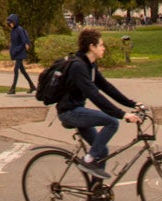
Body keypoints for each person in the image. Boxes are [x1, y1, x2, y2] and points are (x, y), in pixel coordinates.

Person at [56, 27, 143, 184]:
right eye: (101, 45)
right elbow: (95, 96)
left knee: (102, 151)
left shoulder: (90, 66)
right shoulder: (78, 67)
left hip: (78, 110)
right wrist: (122, 114)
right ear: (92, 46)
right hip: (69, 112)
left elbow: (107, 87)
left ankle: (96, 192)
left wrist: (133, 104)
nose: (104, 48)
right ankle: (88, 160)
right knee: (112, 122)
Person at [5, 13, 36, 95]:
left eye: (11, 23)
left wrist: (16, 50)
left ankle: (13, 88)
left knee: (16, 70)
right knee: (22, 70)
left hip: (20, 52)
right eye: (9, 23)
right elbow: (13, 42)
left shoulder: (19, 29)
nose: (10, 24)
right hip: (16, 52)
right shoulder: (13, 31)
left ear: (15, 22)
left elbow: (23, 42)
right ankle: (32, 85)